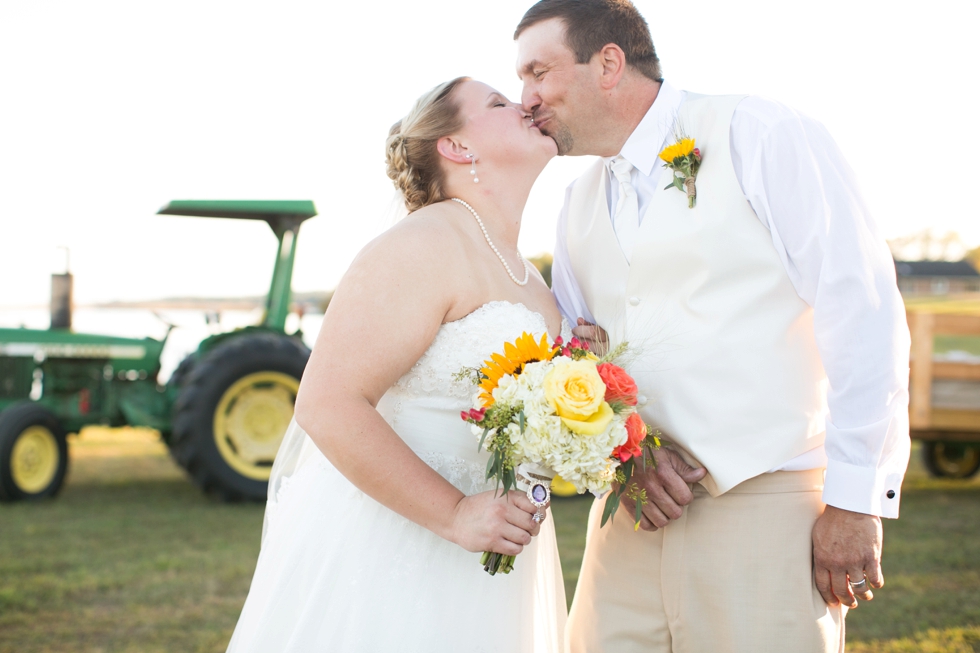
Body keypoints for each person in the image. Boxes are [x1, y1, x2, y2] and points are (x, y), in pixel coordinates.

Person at [513, 1, 911, 651]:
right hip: (629, 522)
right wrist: (625, 460)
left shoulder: (759, 133)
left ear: (608, 63)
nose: (524, 98)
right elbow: (579, 355)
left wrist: (856, 498)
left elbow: (861, 310)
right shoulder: (574, 201)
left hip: (767, 507)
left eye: (537, 72)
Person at [226, 78, 568, 652]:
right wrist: (457, 513)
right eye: (499, 103)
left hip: (497, 559)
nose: (526, 103)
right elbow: (326, 403)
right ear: (457, 148)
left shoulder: (532, 282)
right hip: (393, 549)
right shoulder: (421, 244)